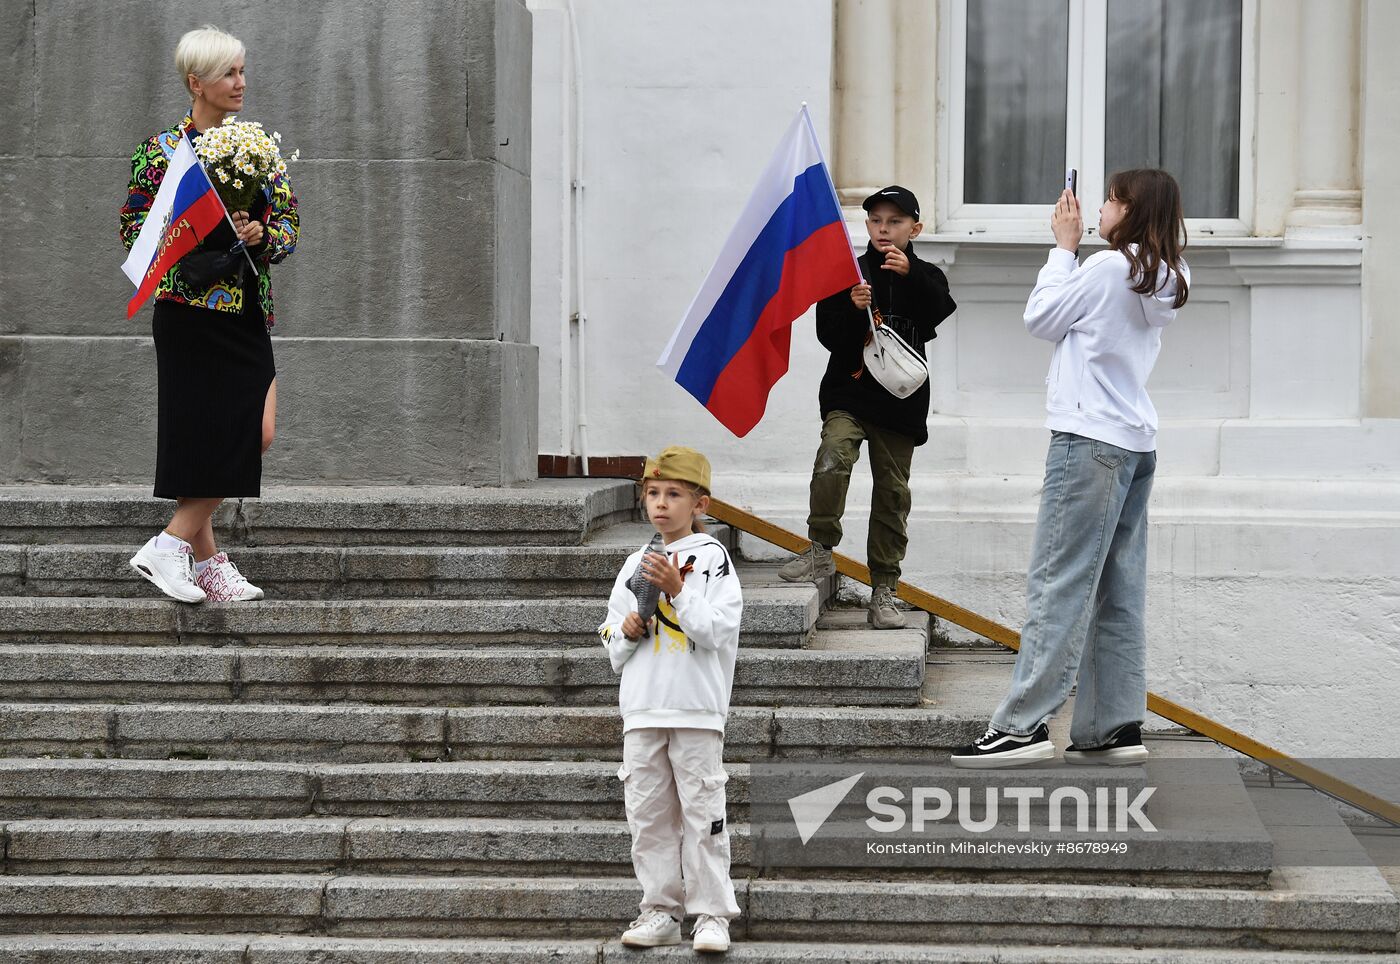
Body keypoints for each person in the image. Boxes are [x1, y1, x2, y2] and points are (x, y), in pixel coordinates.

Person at [952, 169, 1191, 769]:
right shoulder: (1169, 275)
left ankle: (1024, 725)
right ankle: (1113, 726)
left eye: (1111, 200)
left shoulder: (1109, 268)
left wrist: (1062, 248)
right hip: (1135, 443)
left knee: (1058, 581)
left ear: (1131, 210)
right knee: (1117, 588)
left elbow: (1041, 318)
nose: (1099, 209)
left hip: (1087, 441)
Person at [120, 25, 299, 604]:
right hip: (189, 313)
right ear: (197, 83)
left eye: (243, 71)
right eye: (229, 73)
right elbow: (134, 229)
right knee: (202, 441)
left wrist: (262, 231)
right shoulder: (162, 151)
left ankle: (172, 547)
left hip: (246, 311)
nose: (241, 83)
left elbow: (290, 225)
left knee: (257, 430)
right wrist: (192, 236)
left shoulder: (258, 147)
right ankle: (205, 563)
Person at [778, 186, 956, 629]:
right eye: (876, 220)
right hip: (849, 394)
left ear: (915, 228)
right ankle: (821, 549)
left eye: (895, 221)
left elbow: (938, 312)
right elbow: (827, 336)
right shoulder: (846, 272)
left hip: (900, 402)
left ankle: (885, 590)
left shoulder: (928, 274)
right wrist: (850, 306)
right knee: (832, 458)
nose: (884, 229)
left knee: (892, 496)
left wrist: (909, 273)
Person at [598, 446, 742, 953]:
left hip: (696, 709)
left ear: (700, 503)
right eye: (653, 493)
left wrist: (679, 590)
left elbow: (716, 631)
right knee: (648, 814)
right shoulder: (635, 562)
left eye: (674, 494)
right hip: (642, 709)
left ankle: (710, 915)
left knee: (703, 812)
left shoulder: (713, 559)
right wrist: (628, 630)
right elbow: (611, 635)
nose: (661, 504)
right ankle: (659, 909)